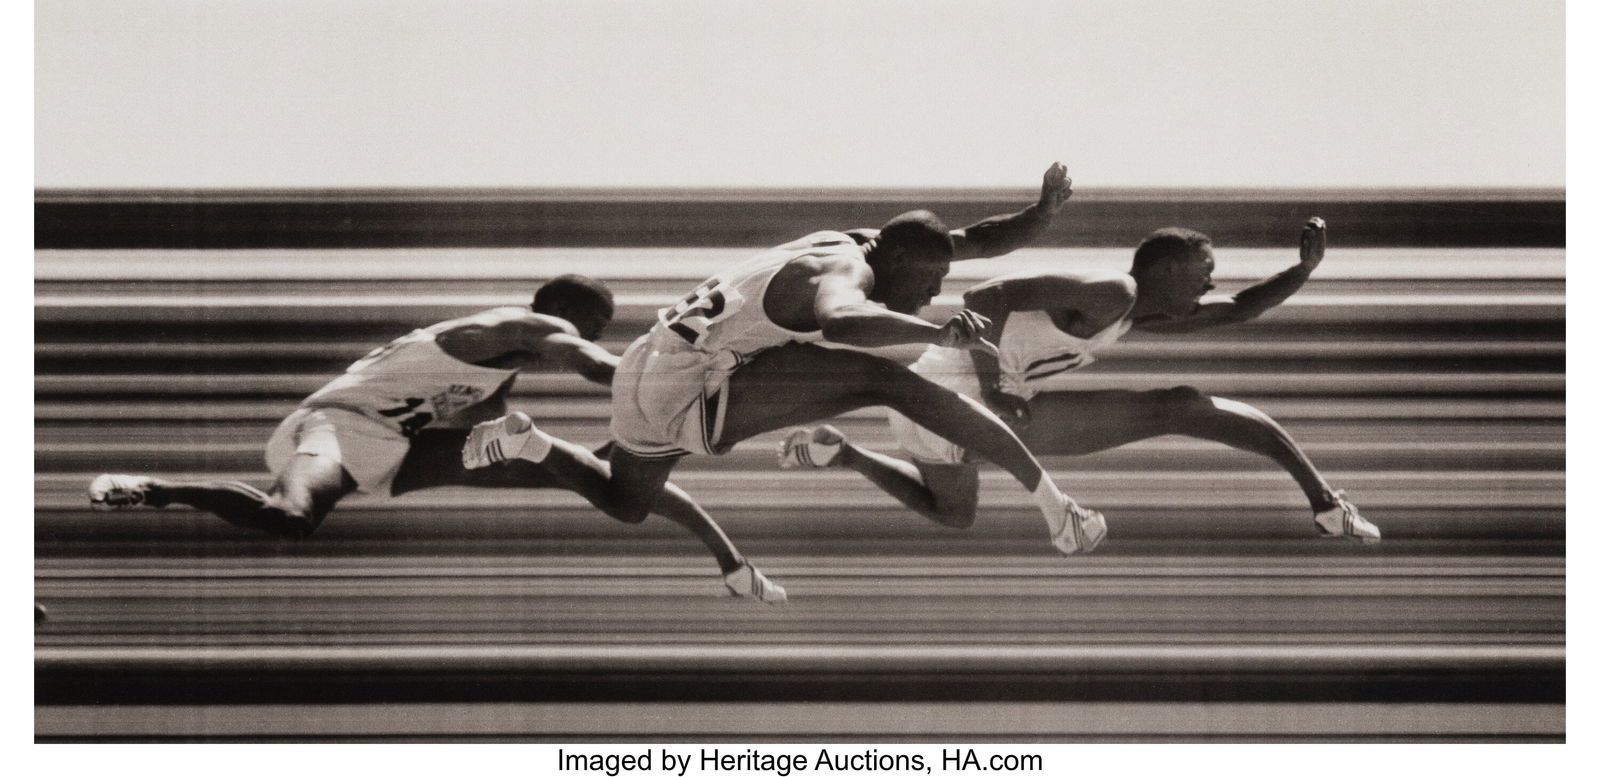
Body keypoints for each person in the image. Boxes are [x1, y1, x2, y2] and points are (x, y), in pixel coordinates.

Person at [464, 163, 1109, 556]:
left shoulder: (868, 242)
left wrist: (1040, 213)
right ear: (898, 261)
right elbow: (843, 320)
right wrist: (931, 331)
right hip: (693, 380)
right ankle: (1057, 506)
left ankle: (531, 442)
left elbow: (968, 242)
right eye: (930, 279)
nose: (936, 288)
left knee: (629, 502)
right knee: (887, 379)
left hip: (647, 359)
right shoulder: (845, 272)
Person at [87, 275, 788, 603]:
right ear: (576, 315)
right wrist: (687, 369)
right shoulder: (530, 326)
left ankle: (728, 561)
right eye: (594, 324)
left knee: (586, 471)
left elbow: (471, 429)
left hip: (393, 447)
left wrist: (561, 454)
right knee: (289, 518)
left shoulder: (494, 374)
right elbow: (606, 371)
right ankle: (153, 486)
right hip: (336, 425)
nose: (592, 337)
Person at [778, 218, 1381, 544]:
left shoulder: (1136, 314)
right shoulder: (1111, 291)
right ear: (1166, 269)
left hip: (927, 406)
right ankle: (1325, 501)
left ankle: (846, 452)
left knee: (953, 513)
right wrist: (995, 388)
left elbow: (1240, 308)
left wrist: (1302, 271)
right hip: (955, 387)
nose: (1207, 287)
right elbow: (990, 292)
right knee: (1178, 405)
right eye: (1203, 274)